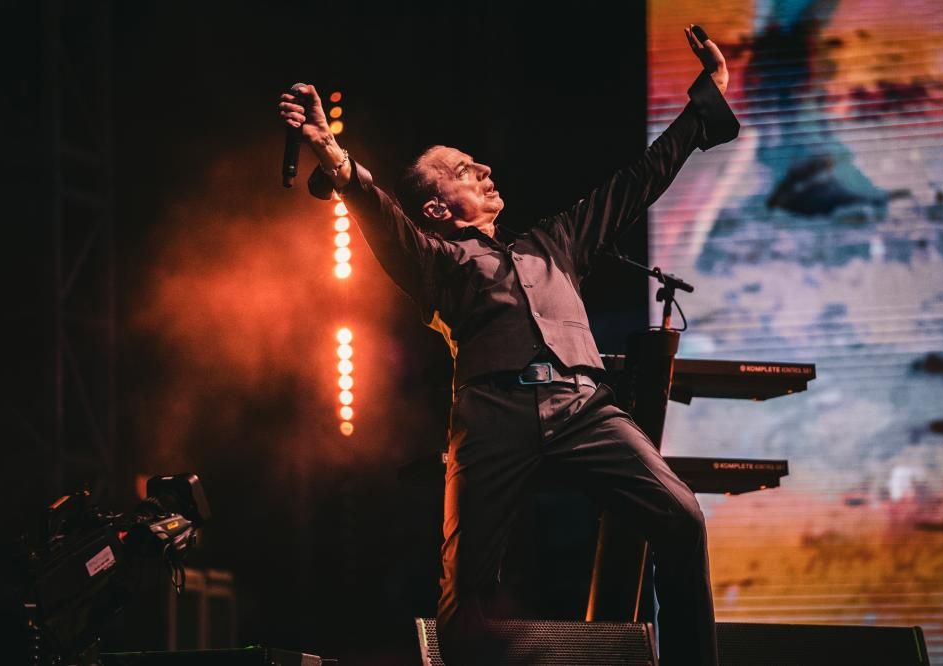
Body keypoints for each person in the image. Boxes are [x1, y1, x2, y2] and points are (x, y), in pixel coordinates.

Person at [280, 26, 739, 665]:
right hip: (493, 414)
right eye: (464, 171)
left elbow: (637, 181)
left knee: (682, 518)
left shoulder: (555, 242)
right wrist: (333, 154)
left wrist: (704, 100)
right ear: (437, 209)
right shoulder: (436, 261)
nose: (486, 171)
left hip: (585, 407)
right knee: (464, 591)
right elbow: (379, 213)